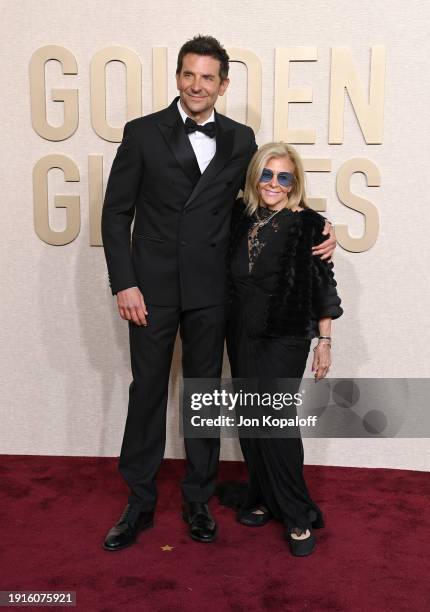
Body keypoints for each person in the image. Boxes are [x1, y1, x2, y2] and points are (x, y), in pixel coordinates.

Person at [101, 35, 337, 551]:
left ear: (222, 84)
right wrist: (125, 282)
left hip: (212, 293)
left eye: (208, 77)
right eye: (189, 74)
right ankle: (138, 503)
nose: (197, 85)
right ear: (178, 77)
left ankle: (197, 501)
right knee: (147, 393)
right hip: (152, 291)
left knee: (203, 398)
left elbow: (266, 198)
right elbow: (116, 214)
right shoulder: (142, 134)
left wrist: (319, 228)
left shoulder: (240, 138)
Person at [220, 142, 343, 556]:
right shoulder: (241, 216)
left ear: (295, 182)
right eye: (267, 174)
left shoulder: (310, 224)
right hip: (240, 332)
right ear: (256, 177)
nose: (274, 183)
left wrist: (324, 341)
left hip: (285, 334)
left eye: (283, 176)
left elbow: (322, 288)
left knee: (275, 419)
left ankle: (296, 513)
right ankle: (260, 495)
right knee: (249, 417)